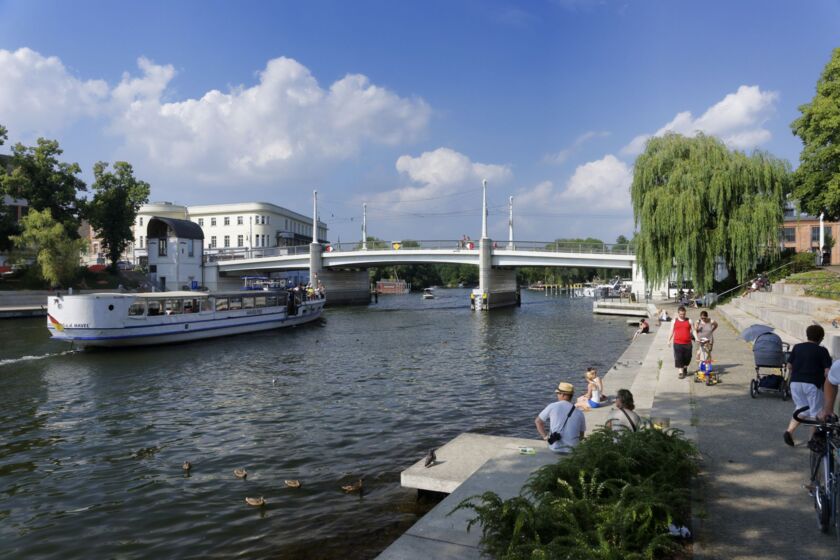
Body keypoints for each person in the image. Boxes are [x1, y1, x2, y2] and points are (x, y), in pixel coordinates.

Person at [784, 324, 832, 446]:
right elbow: (827, 372)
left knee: (801, 408)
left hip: (795, 383)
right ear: (821, 338)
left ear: (807, 335)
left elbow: (789, 366)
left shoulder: (797, 347)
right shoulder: (822, 350)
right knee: (816, 413)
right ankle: (811, 441)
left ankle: (789, 431)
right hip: (812, 384)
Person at [535, 381, 586, 453]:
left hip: (555, 448)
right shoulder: (579, 412)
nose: (557, 395)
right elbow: (581, 435)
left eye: (558, 393)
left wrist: (545, 437)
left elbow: (538, 422)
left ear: (563, 394)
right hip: (573, 450)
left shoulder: (552, 406)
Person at [667, 306, 693, 379]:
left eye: (684, 314)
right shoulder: (674, 321)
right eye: (681, 314)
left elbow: (693, 330)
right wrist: (668, 340)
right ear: (678, 313)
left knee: (688, 357)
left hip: (688, 343)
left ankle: (685, 367)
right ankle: (680, 372)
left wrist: (696, 338)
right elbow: (671, 331)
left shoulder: (689, 320)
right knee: (679, 357)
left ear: (685, 313)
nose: (682, 315)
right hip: (677, 343)